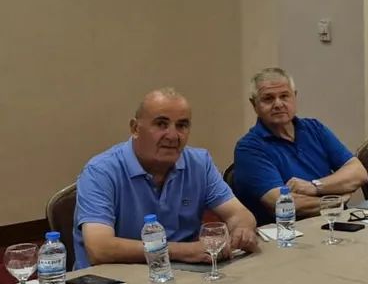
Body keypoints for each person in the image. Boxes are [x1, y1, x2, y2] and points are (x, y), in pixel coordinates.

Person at [73, 88, 258, 270]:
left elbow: (238, 213)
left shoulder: (199, 163)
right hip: (116, 280)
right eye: (161, 124)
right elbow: (100, 248)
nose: (172, 136)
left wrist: (242, 230)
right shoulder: (100, 171)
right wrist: (185, 251)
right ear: (135, 128)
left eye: (182, 126)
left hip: (184, 274)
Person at [231, 68, 368, 226]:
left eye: (284, 96)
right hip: (287, 232)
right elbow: (283, 204)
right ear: (254, 104)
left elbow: (359, 173)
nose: (278, 104)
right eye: (268, 99)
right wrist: (337, 200)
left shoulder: (314, 128)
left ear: (294, 97)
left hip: (332, 222)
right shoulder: (249, 148)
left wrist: (314, 186)